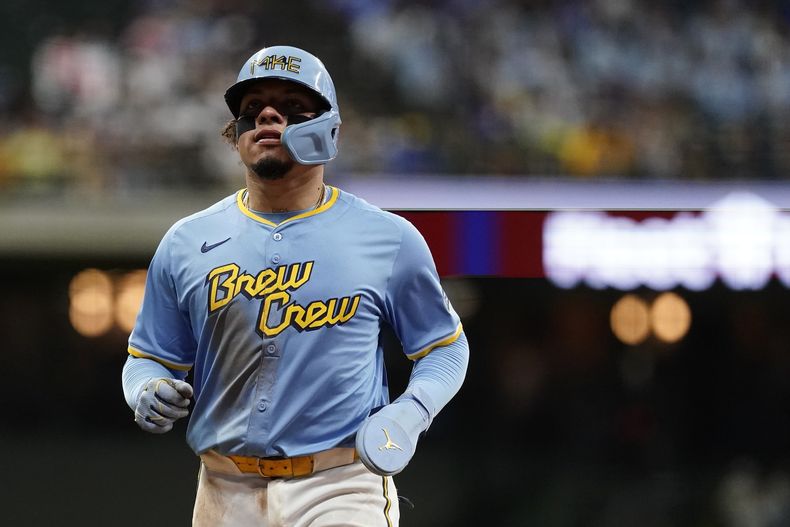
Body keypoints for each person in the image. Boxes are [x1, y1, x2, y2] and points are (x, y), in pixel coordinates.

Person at [121, 45, 469, 526]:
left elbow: (445, 349)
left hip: (340, 485)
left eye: (290, 106)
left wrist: (411, 412)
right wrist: (145, 388)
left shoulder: (388, 239)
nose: (266, 114)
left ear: (329, 127)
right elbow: (147, 358)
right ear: (237, 134)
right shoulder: (186, 241)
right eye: (251, 109)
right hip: (223, 491)